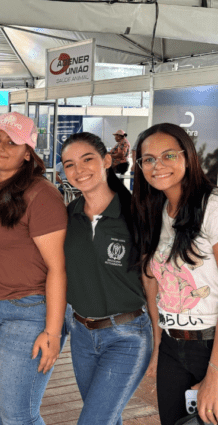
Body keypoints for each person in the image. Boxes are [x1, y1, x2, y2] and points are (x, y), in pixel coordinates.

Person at [0, 112, 67, 425]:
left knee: (18, 414)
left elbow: (57, 268)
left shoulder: (41, 194)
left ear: (28, 153)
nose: (0, 147)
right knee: (10, 409)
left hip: (27, 313)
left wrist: (52, 331)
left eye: (12, 142)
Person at [61, 132, 156, 425]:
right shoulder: (69, 215)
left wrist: (158, 342)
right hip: (81, 335)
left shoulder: (136, 213)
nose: (78, 170)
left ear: (106, 161)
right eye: (69, 164)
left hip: (127, 335)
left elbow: (150, 280)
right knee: (107, 419)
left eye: (87, 159)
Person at [132, 123, 218, 425]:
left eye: (168, 155)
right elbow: (152, 283)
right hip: (171, 345)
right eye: (148, 159)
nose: (158, 165)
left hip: (210, 346)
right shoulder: (153, 210)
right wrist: (157, 345)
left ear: (188, 157)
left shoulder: (211, 207)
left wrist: (215, 373)